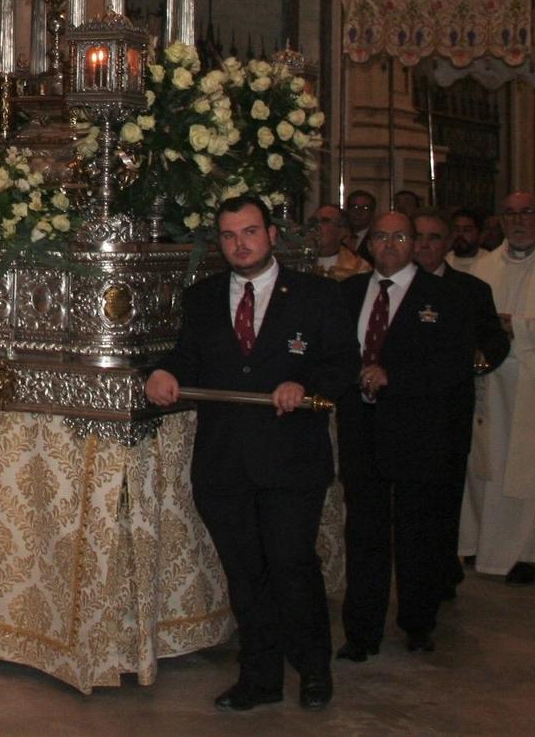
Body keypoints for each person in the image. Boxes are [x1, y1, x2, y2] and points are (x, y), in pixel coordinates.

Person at [145, 195, 358, 712]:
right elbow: (188, 357)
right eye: (228, 235)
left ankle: (312, 669)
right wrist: (165, 372)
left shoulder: (316, 296)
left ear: (272, 236)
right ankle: (259, 676)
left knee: (291, 565)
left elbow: (342, 367)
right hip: (224, 464)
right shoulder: (202, 297)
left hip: (291, 462)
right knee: (244, 574)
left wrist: (302, 385)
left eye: (250, 232)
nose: (240, 244)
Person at [334, 211, 500, 659]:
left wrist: (395, 378)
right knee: (364, 533)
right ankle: (361, 631)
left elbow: (453, 363)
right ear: (369, 245)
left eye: (400, 236)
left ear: (415, 244)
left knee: (417, 532)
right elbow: (330, 352)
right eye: (381, 236)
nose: (389, 244)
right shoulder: (347, 294)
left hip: (419, 429)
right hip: (360, 430)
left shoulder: (446, 296)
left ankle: (418, 621)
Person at [458, 191, 535, 585]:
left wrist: (518, 326)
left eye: (526, 213)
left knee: (527, 468)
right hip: (488, 381)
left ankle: (523, 552)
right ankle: (477, 542)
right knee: (483, 464)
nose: (518, 221)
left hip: (533, 380)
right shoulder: (484, 267)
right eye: (511, 214)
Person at [405, 210, 508, 605]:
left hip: (448, 410)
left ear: (449, 243)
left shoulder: (471, 290)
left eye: (435, 237)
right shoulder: (395, 288)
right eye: (420, 237)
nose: (426, 245)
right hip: (403, 412)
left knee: (446, 496)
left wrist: (479, 362)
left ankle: (442, 568)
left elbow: (495, 340)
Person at [308, 203, 372, 281]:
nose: (316, 226)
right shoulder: (299, 262)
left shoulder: (359, 268)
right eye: (313, 221)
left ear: (342, 232)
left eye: (324, 221)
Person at [448, 206, 489, 275]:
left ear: (479, 234)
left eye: (466, 230)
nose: (460, 234)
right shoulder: (443, 262)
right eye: (457, 229)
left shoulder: (490, 261)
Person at [343, 189, 378, 262]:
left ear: (372, 213)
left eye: (365, 208)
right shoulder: (338, 236)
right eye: (354, 207)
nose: (359, 212)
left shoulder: (376, 239)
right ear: (347, 210)